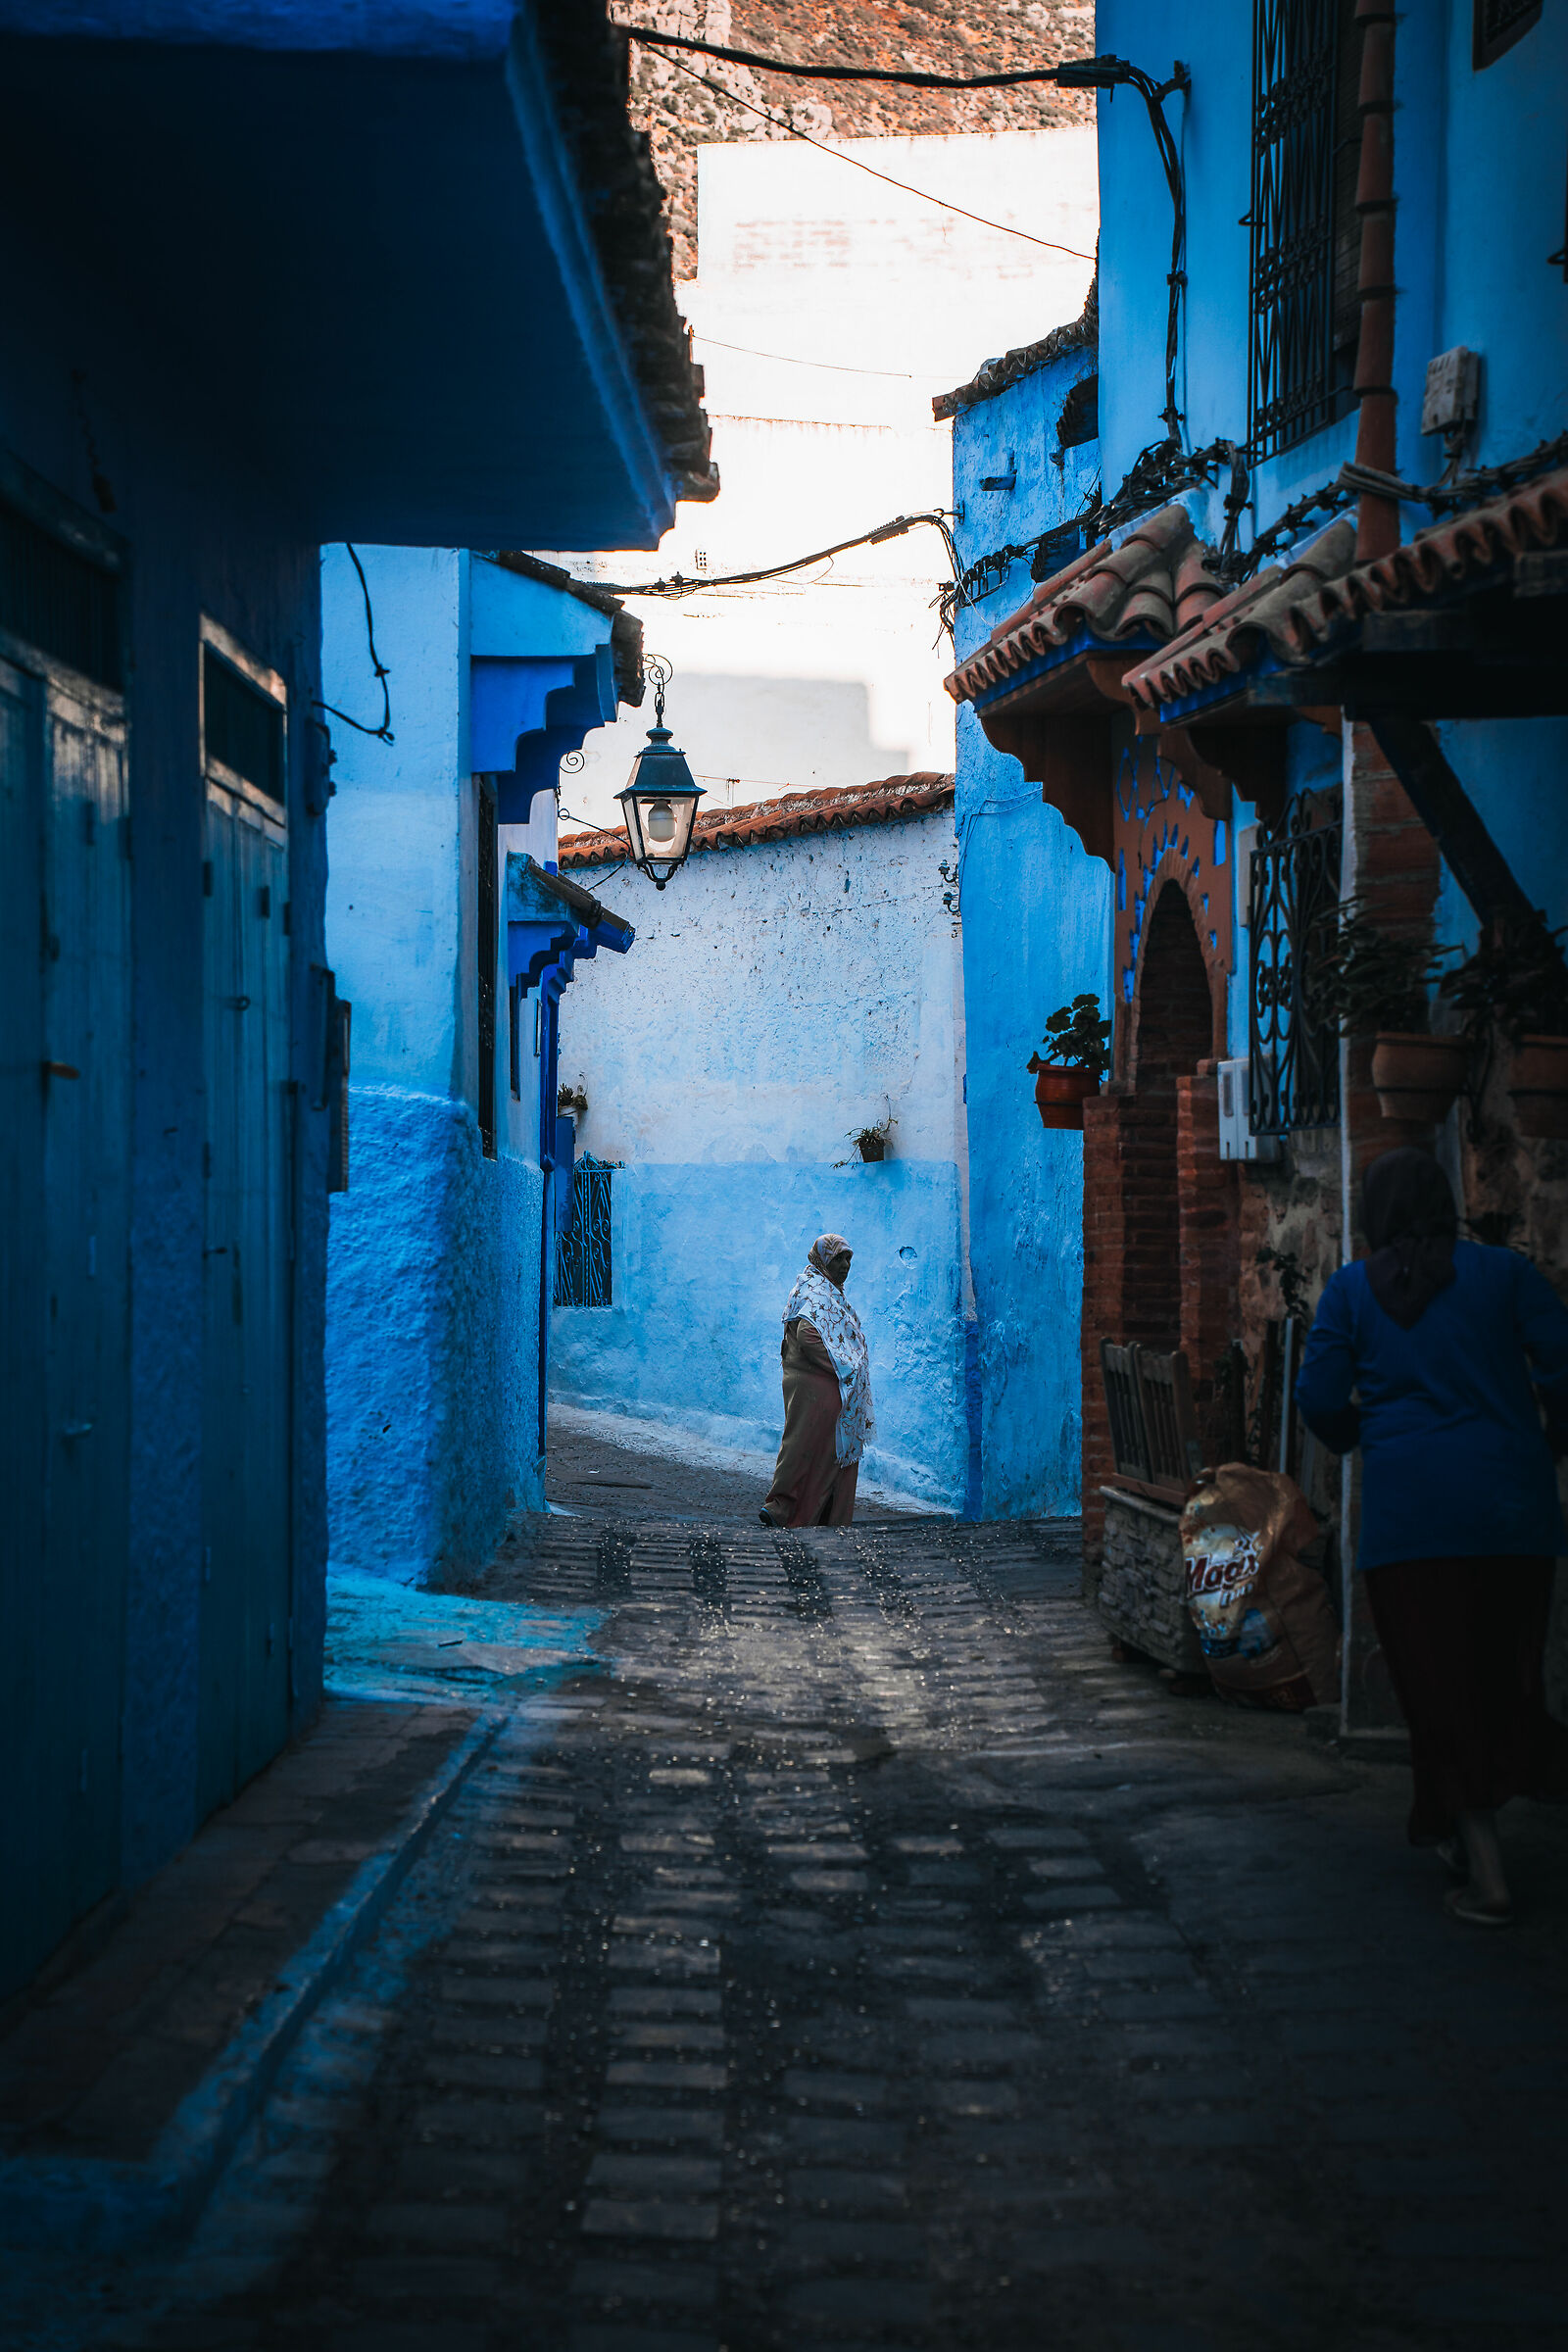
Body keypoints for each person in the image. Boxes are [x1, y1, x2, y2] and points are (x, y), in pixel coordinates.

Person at [1296, 1147, 1568, 1926]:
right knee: (1503, 1674)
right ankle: (1474, 1819)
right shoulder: (1506, 1276)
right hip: (1514, 1514)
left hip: (1411, 1522)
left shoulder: (1351, 1294)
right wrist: (1546, 1438)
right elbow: (1562, 1363)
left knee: (1439, 1690)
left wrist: (1359, 1433)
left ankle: (1487, 1873)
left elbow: (1317, 1399)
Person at [760, 1233, 873, 1529]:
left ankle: (819, 1514)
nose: (846, 1265)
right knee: (804, 1447)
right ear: (823, 1260)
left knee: (825, 1452)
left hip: (822, 1387)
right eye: (838, 1258)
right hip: (813, 1386)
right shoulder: (817, 1291)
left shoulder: (825, 1289)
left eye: (848, 1258)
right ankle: (785, 1508)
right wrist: (844, 1364)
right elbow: (807, 1335)